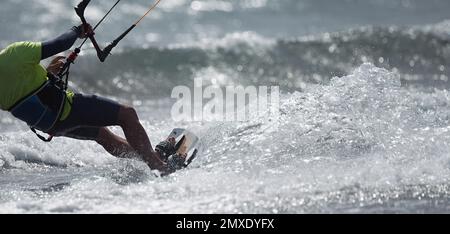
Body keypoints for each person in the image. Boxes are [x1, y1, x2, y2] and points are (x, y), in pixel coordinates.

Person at [0, 25, 184, 175]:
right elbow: (60, 43)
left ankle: (153, 156)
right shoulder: (13, 54)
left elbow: (24, 95)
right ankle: (158, 167)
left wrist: (50, 76)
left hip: (50, 126)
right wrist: (77, 30)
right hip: (66, 110)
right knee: (127, 115)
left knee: (103, 136)